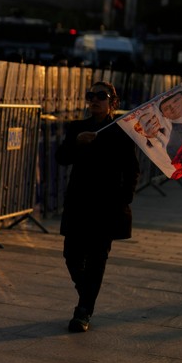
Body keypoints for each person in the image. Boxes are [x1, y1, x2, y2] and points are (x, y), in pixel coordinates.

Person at [55, 82, 139, 332]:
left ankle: (83, 311)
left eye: (101, 96)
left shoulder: (121, 132)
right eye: (90, 95)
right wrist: (78, 143)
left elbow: (132, 170)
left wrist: (124, 199)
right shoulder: (78, 128)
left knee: (96, 258)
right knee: (71, 255)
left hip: (107, 205)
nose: (94, 100)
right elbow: (62, 158)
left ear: (113, 102)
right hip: (79, 202)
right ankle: (87, 295)